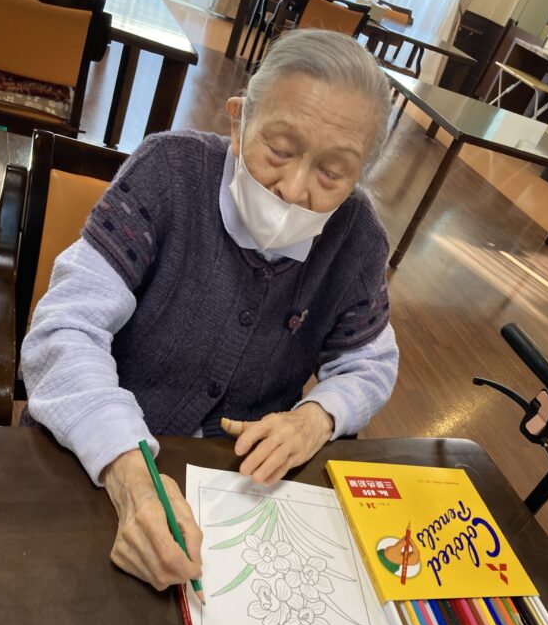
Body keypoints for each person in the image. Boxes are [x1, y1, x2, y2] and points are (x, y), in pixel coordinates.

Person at [21, 29, 398, 592]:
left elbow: (370, 364)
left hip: (237, 491)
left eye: (333, 172)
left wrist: (315, 417)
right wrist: (129, 475)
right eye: (280, 149)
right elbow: (65, 328)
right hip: (95, 457)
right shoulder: (169, 172)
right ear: (239, 122)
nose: (294, 189)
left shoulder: (357, 236)